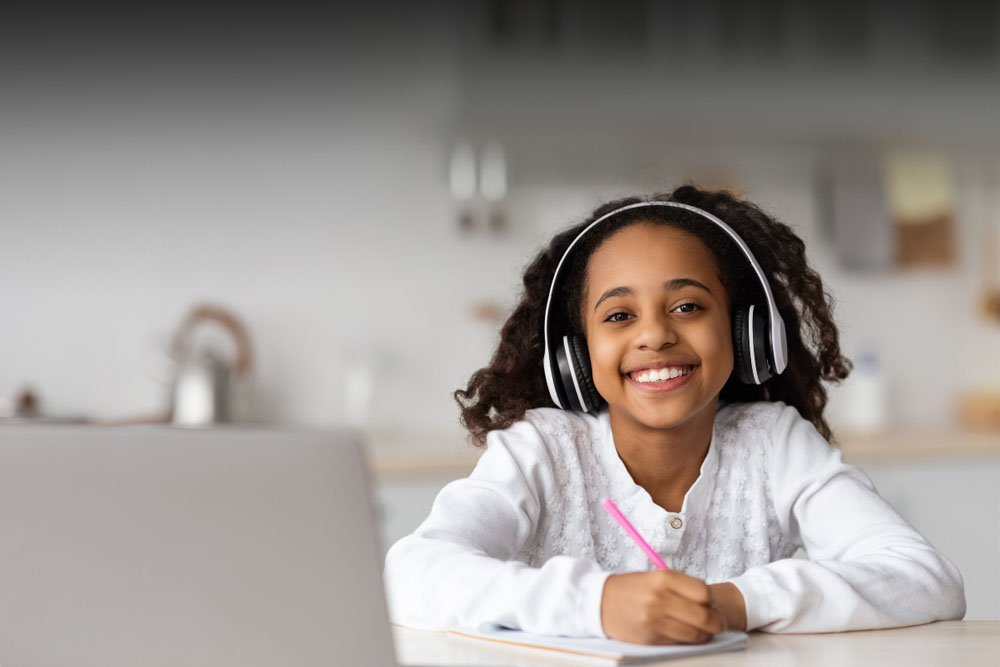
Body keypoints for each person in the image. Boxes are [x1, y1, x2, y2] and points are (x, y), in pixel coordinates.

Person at [383, 185, 966, 644]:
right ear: (575, 354)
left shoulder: (774, 444)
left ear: (745, 332)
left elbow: (924, 579)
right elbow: (411, 574)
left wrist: (734, 603)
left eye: (687, 306)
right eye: (618, 316)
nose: (656, 335)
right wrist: (598, 604)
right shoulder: (541, 450)